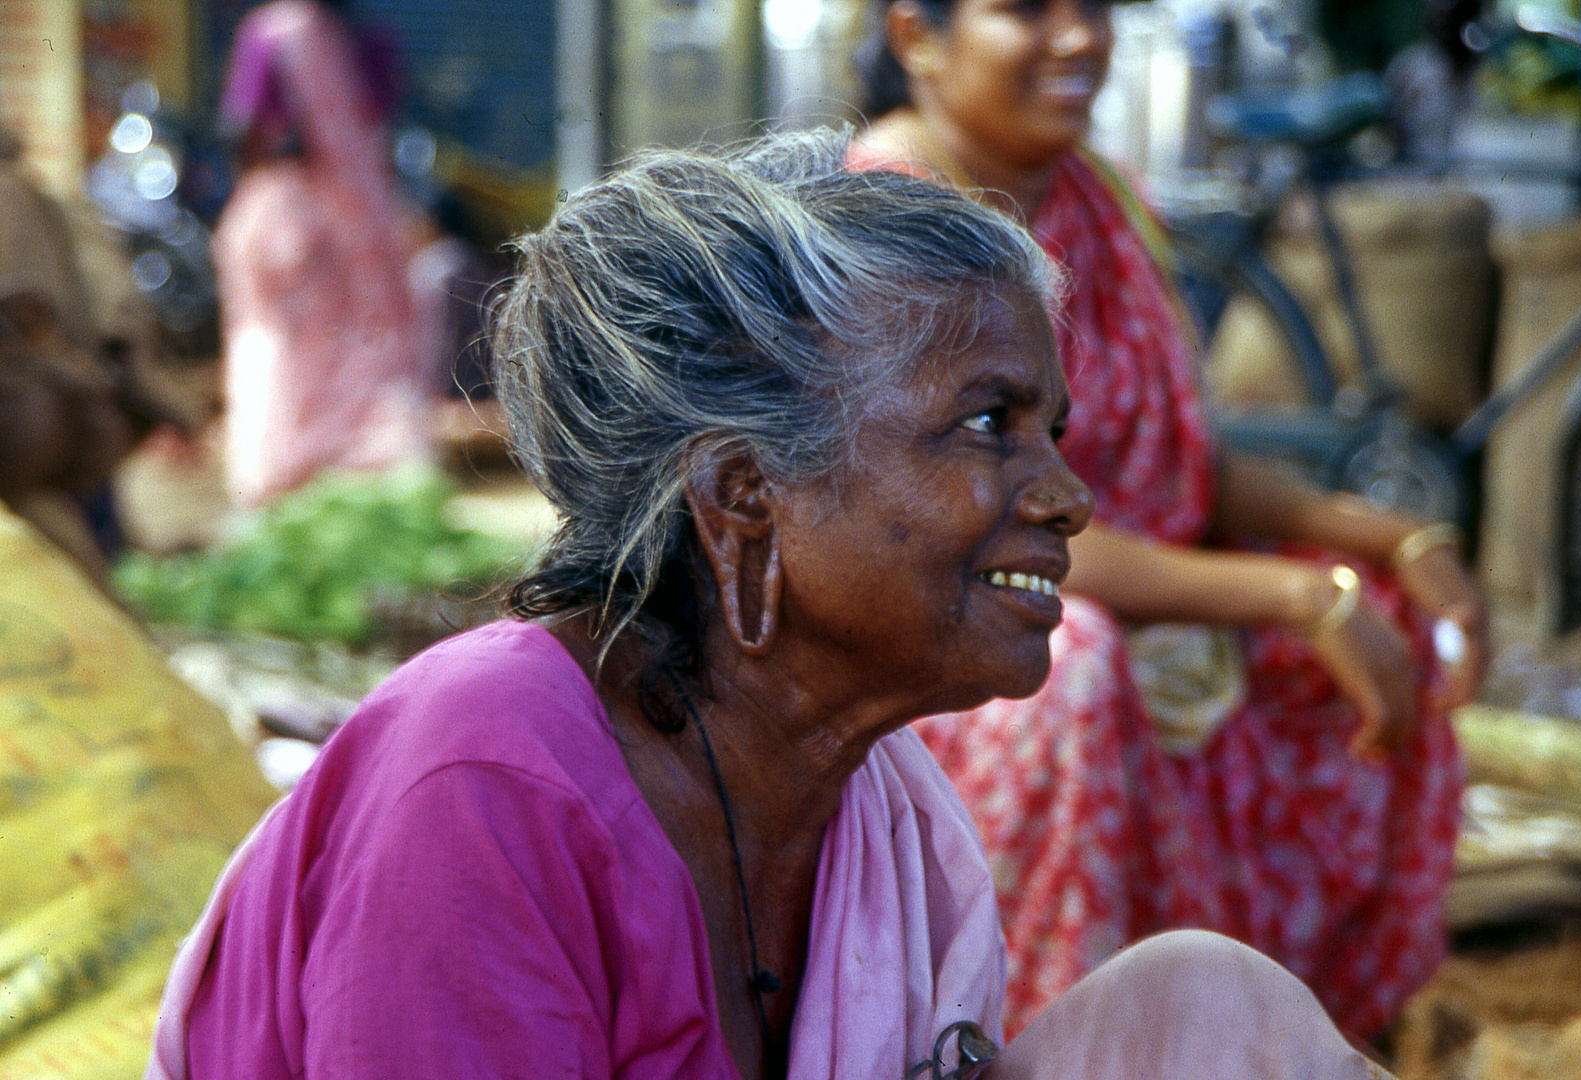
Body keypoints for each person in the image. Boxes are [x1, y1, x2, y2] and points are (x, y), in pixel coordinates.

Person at [142, 129, 1393, 1080]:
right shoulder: (484, 779)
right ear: (745, 499)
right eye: (987, 424)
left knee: (1211, 1015)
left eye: (1050, 429)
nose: (1066, 496)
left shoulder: (868, 805)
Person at [850, 0, 1489, 1045]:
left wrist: (1388, 542)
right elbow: (1002, 518)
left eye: (1091, 8)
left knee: (1394, 621)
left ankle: (1274, 1031)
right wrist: (1296, 596)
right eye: (1025, 11)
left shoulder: (1100, 197)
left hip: (1121, 588)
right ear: (918, 36)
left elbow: (1184, 462)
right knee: (1070, 666)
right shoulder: (888, 221)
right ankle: (1031, 1040)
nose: (1078, 41)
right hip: (954, 628)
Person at [212, 0, 437, 506]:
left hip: (288, 220)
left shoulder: (272, 30)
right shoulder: (372, 38)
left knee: (278, 349)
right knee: (362, 355)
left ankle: (277, 482)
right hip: (362, 221)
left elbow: (241, 126)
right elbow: (375, 125)